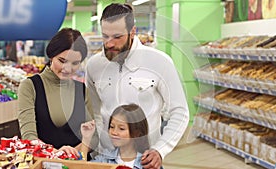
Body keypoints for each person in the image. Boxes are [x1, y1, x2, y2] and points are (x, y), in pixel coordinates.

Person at [85, 3, 189, 169]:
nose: (109, 44)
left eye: (117, 37)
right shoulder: (94, 65)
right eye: (105, 36)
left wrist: (160, 150)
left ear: (133, 32)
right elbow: (95, 112)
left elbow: (180, 112)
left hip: (145, 161)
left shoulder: (160, 62)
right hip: (106, 159)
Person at [17, 28, 98, 158]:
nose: (68, 68)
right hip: (43, 163)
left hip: (76, 163)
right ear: (51, 55)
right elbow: (29, 137)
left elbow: (93, 135)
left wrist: (72, 154)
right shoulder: (30, 86)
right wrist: (57, 154)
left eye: (75, 63)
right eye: (62, 61)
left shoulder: (82, 89)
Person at [81, 104, 160, 169]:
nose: (114, 132)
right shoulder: (104, 158)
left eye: (121, 128)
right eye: (112, 127)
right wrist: (86, 138)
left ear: (137, 133)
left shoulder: (149, 162)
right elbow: (81, 167)